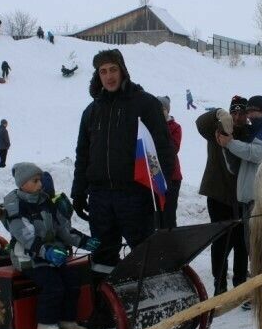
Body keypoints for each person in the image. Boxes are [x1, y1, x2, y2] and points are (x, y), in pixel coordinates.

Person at [71, 49, 175, 273]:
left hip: (135, 195)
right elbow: (83, 154)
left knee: (144, 253)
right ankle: (106, 303)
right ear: (98, 75)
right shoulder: (91, 111)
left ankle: (146, 303)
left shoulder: (145, 104)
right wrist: (78, 192)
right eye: (103, 71)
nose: (109, 76)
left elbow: (164, 150)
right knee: (102, 255)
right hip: (99, 198)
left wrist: (162, 189)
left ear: (123, 71)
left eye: (113, 70)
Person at [2, 162, 100, 329]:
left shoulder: (44, 200)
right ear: (22, 183)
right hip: (28, 257)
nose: (40, 184)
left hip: (51, 254)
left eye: (40, 180)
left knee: (72, 281)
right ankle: (46, 327)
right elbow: (25, 235)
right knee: (52, 285)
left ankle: (67, 320)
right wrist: (45, 251)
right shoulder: (15, 205)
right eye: (35, 181)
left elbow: (61, 229)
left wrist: (85, 241)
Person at [217, 94, 262, 253]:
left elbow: (257, 154)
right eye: (248, 112)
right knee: (252, 246)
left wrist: (231, 143)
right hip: (252, 198)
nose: (249, 115)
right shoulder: (257, 130)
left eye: (252, 111)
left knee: (261, 247)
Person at [196, 96, 249, 295]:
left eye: (241, 113)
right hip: (218, 195)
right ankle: (220, 287)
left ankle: (242, 286)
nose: (237, 117)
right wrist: (217, 113)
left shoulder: (248, 134)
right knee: (220, 243)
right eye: (233, 112)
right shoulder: (216, 130)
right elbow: (200, 123)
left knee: (241, 243)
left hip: (242, 197)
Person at [158, 96, 182, 228]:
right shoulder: (149, 125)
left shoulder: (175, 127)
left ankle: (171, 245)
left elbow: (173, 148)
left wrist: (160, 128)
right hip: (154, 176)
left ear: (168, 110)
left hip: (172, 177)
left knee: (168, 215)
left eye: (162, 109)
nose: (160, 112)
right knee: (156, 216)